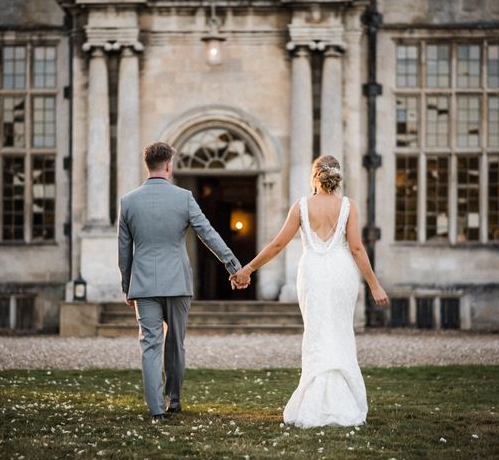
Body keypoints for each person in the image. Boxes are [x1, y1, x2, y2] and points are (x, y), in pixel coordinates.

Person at [231, 154, 389, 428]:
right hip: (342, 274)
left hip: (313, 273)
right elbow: (356, 248)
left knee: (317, 333)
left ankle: (318, 402)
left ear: (315, 176)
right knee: (339, 332)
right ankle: (342, 401)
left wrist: (248, 269)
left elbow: (278, 244)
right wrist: (374, 284)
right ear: (337, 177)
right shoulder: (348, 206)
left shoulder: (302, 206)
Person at [117, 141, 247, 420]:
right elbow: (208, 234)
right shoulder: (184, 197)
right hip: (177, 282)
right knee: (175, 342)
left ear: (147, 165)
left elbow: (124, 250)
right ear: (168, 165)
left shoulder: (128, 202)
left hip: (143, 285)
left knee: (150, 344)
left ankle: (156, 410)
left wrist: (127, 285)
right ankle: (173, 400)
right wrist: (233, 265)